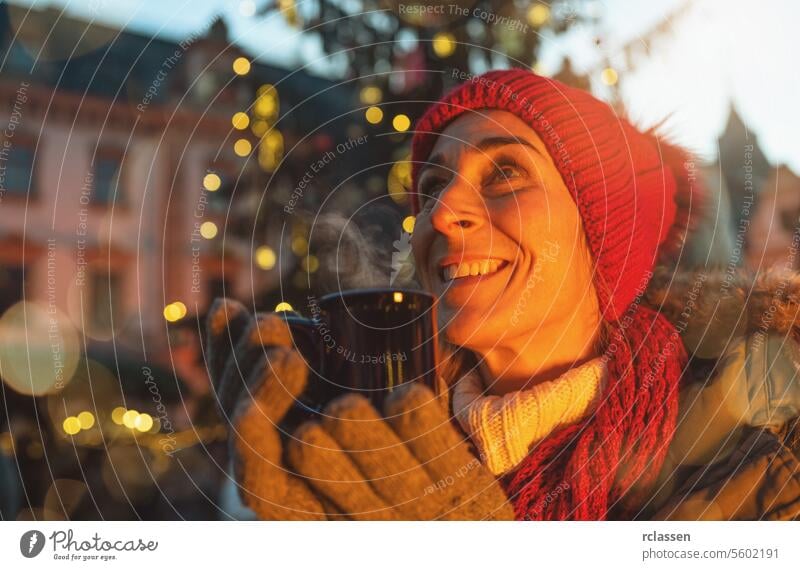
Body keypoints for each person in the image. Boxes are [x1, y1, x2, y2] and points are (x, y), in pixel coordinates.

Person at [207, 69, 800, 520]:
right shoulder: (363, 418)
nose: (442, 215)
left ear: (601, 238)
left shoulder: (765, 467)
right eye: (435, 185)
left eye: (506, 174)